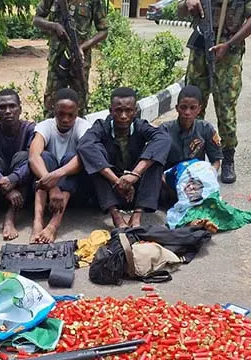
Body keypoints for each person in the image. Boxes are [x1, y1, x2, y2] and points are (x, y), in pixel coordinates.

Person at [179, 0, 251, 184]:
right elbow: (179, 11)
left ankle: (227, 160)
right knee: (192, 105)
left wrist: (229, 44)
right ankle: (192, 155)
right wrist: (188, 2)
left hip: (229, 51)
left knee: (226, 108)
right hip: (200, 48)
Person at [77, 87, 171, 228]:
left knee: (156, 158)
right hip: (110, 190)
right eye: (118, 111)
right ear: (110, 110)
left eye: (128, 111)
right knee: (94, 150)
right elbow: (84, 145)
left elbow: (164, 139)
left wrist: (135, 175)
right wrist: (116, 181)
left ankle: (137, 215)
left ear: (135, 111)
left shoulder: (140, 126)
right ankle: (116, 215)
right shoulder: (102, 126)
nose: (123, 116)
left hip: (137, 190)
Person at [29, 88, 91, 243]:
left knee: (72, 157)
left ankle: (53, 225)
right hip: (49, 190)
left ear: (77, 112)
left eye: (71, 115)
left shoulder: (83, 127)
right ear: (54, 110)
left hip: (73, 188)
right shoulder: (45, 126)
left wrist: (56, 176)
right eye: (61, 114)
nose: (65, 119)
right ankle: (37, 222)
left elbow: (85, 157)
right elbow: (33, 157)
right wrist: (52, 186)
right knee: (45, 157)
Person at [33, 0, 108, 117]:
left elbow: (103, 31)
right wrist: (54, 26)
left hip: (78, 60)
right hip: (57, 58)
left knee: (79, 103)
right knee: (51, 104)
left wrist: (82, 47)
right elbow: (36, 20)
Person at [0, 89, 35, 242]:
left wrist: (13, 178)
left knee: (24, 157)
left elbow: (35, 159)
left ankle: (10, 217)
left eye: (12, 106)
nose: (8, 111)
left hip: (20, 186)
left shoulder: (30, 129)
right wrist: (6, 187)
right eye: (2, 107)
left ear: (20, 109)